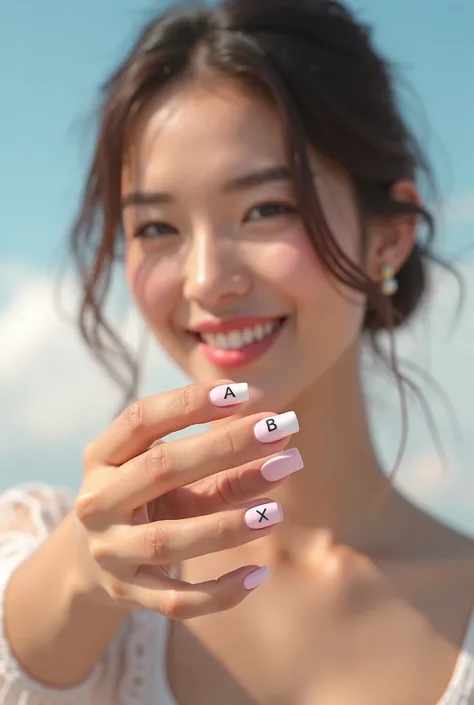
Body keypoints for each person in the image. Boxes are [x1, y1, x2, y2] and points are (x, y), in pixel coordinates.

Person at [0, 0, 472, 703]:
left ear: (389, 237)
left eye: (266, 209)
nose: (206, 281)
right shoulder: (64, 556)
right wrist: (80, 568)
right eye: (157, 226)